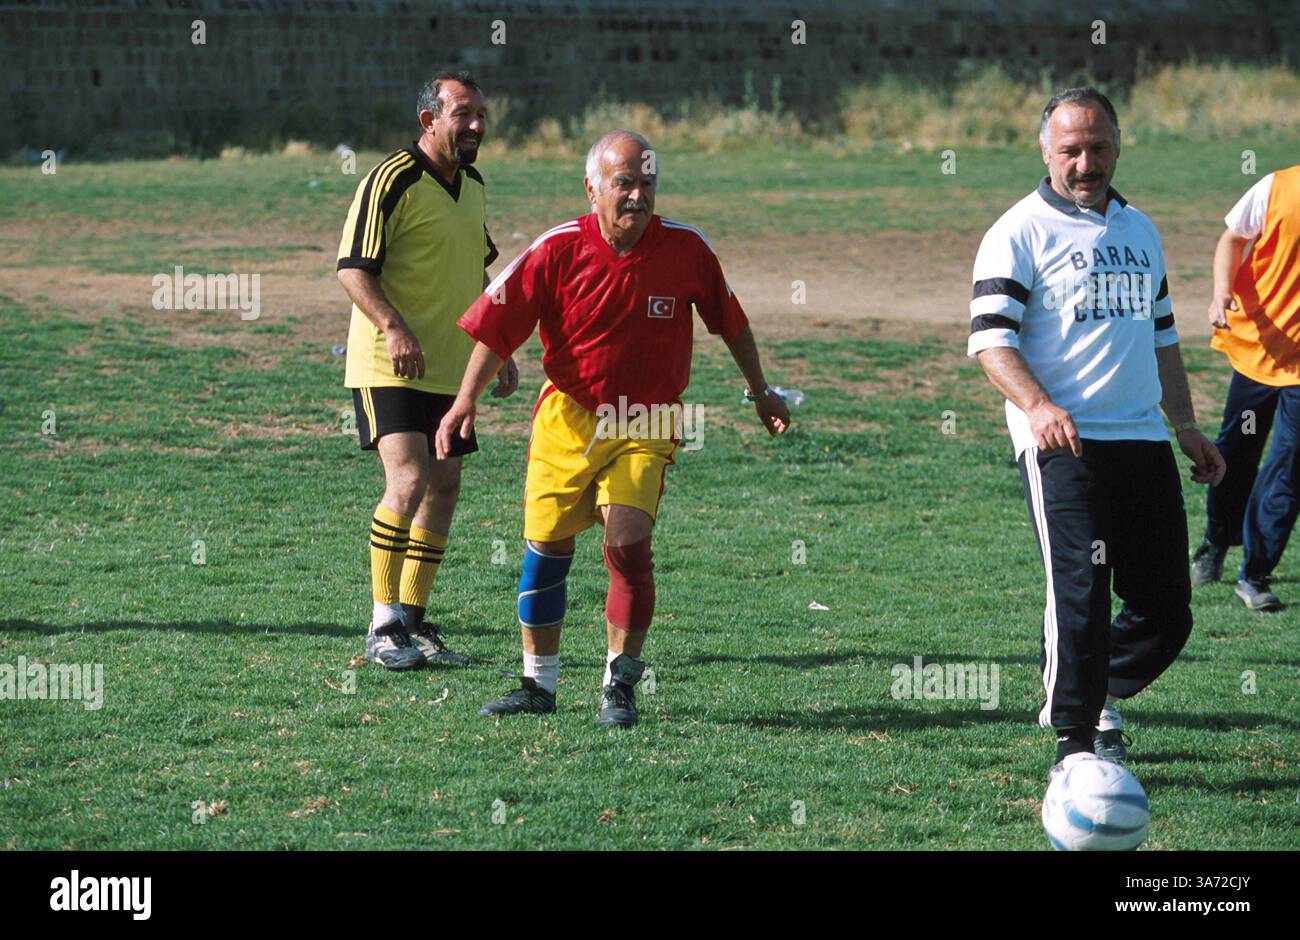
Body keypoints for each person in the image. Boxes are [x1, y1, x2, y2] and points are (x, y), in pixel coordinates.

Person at [436, 130, 791, 728]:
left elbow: (731, 324)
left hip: (645, 419)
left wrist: (760, 393)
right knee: (546, 550)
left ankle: (619, 686)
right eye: (623, 182)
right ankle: (537, 684)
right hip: (568, 416)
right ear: (592, 187)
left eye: (646, 182)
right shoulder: (556, 249)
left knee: (627, 544)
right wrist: (463, 401)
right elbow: (498, 325)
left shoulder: (687, 250)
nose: (637, 195)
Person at [967, 88, 1226, 779]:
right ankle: (1074, 744)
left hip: (1140, 438)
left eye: (1098, 147)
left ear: (1118, 144)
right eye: (1070, 150)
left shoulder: (1140, 230)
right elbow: (991, 342)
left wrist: (1186, 425)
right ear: (1046, 151)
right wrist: (1039, 406)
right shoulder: (1018, 231)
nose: (1086, 162)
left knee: (1167, 609)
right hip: (1062, 443)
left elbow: (1163, 336)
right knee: (1081, 593)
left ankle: (1100, 691)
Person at [336, 70, 518, 670]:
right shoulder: (391, 180)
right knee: (409, 480)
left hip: (450, 367)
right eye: (462, 114)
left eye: (481, 115)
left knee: (444, 487)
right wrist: (393, 327)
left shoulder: (472, 185)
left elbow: (477, 273)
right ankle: (382, 624)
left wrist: (501, 345)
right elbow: (352, 268)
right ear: (428, 120)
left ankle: (412, 620)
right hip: (387, 363)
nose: (475, 126)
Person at [1191, 165, 1300, 611]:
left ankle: (1254, 574)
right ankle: (1216, 541)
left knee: (1289, 465)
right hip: (1259, 345)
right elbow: (1233, 238)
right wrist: (1221, 292)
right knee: (1236, 451)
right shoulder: (1277, 186)